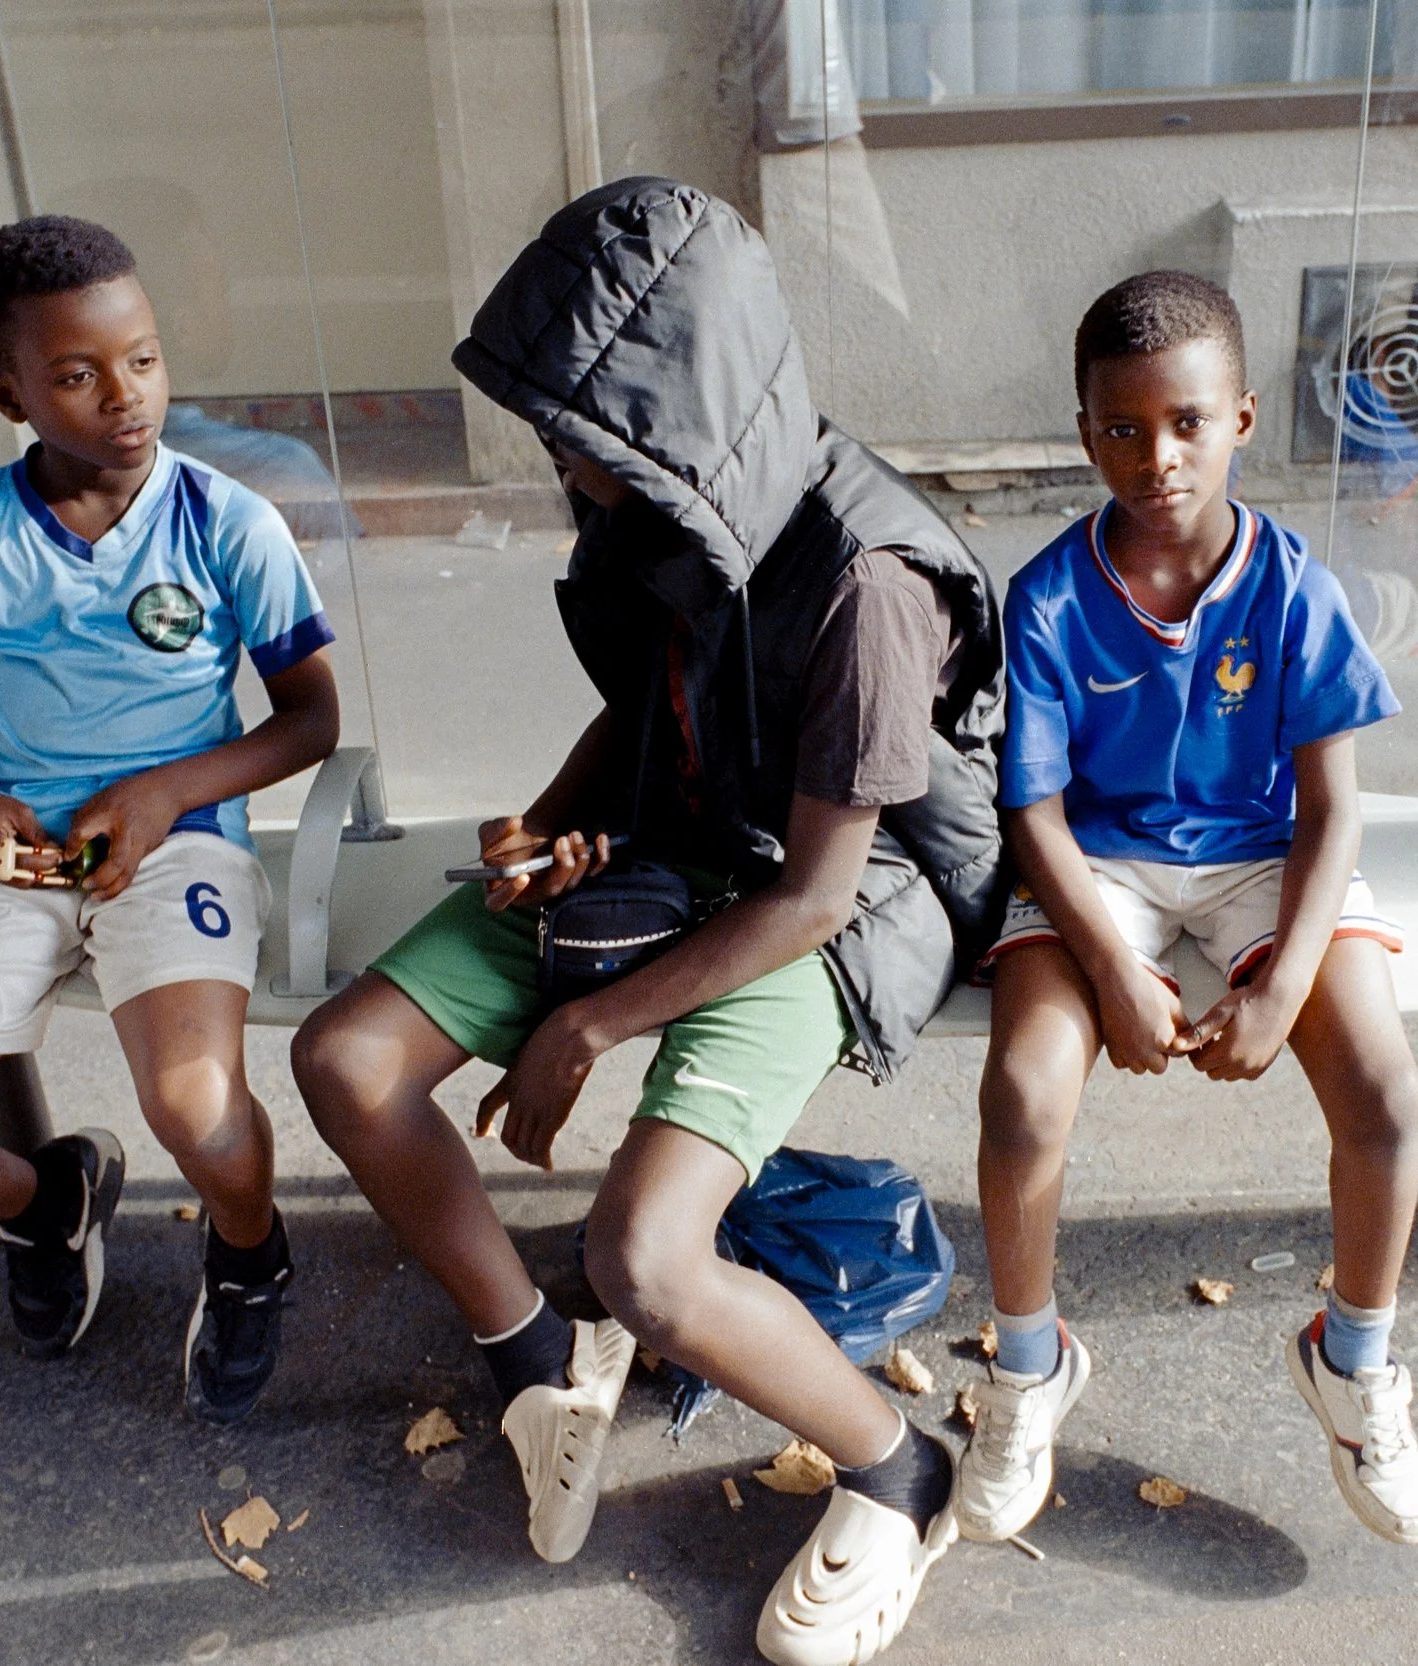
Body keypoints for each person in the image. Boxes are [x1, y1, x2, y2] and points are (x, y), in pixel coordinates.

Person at [290, 177, 1004, 1665]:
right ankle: (538, 1360)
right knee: (349, 1058)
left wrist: (585, 1024)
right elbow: (649, 703)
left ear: (675, 412)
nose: (557, 451)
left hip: (829, 898)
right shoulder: (666, 498)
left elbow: (814, 890)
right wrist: (551, 830)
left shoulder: (871, 586)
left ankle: (896, 1465)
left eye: (578, 424)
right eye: (560, 422)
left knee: (649, 1257)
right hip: (674, 844)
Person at [0, 216, 341, 1425]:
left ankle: (249, 1250)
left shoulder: (227, 523)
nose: (127, 397)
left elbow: (311, 717)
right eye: (76, 374)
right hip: (7, 861)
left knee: (198, 1112)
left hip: (175, 849)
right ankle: (45, 1198)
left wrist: (169, 789)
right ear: (9, 391)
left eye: (145, 359)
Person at [959, 271, 1418, 1549]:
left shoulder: (1293, 590)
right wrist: (1113, 966)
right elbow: (1033, 814)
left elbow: (1333, 811)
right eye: (1121, 428)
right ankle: (1024, 1367)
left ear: (1241, 417)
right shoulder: (1050, 599)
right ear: (1085, 434)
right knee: (1021, 1097)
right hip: (1096, 864)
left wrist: (1276, 988)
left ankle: (1353, 1357)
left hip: (1257, 855)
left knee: (1385, 1095)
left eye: (1185, 423)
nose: (1154, 456)